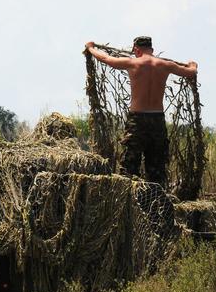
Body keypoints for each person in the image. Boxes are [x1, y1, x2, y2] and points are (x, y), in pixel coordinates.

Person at [84, 36, 198, 188]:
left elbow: (105, 58)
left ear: (136, 49)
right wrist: (193, 65)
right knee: (156, 168)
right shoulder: (166, 65)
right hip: (157, 120)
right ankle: (156, 202)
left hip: (137, 121)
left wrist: (91, 48)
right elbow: (191, 73)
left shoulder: (132, 62)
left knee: (129, 166)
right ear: (152, 50)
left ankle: (131, 203)